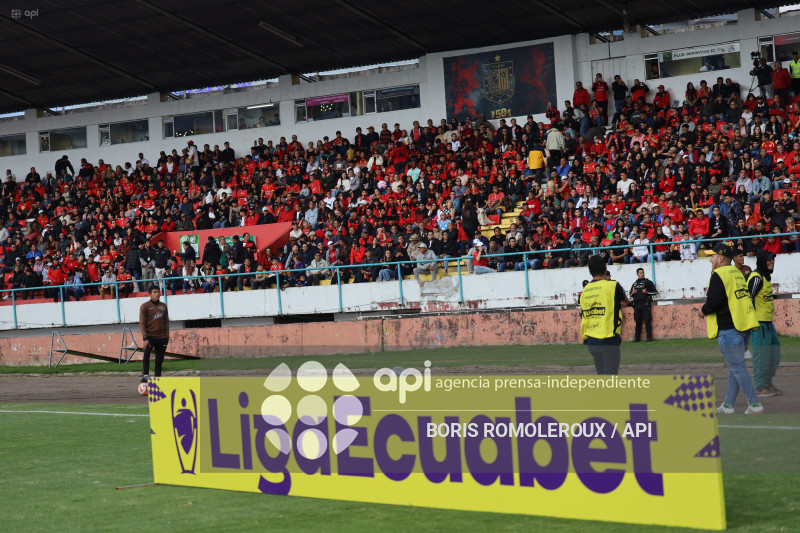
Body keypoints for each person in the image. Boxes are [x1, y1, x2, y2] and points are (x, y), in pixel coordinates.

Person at [698, 242, 764, 414]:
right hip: (743, 326)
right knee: (735, 367)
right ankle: (728, 405)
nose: (710, 259)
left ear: (720, 258)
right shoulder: (737, 273)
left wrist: (702, 311)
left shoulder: (718, 274)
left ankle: (755, 404)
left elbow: (713, 302)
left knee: (737, 367)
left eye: (712, 256)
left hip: (729, 329)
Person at [580, 255, 629, 374]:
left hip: (591, 340)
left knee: (601, 375)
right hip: (608, 338)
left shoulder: (585, 290)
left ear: (589, 271)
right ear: (606, 268)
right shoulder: (612, 285)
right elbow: (626, 301)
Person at [748, 251, 782, 397]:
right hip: (759, 324)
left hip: (768, 323)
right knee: (761, 356)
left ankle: (767, 383)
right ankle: (760, 387)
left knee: (774, 354)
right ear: (762, 261)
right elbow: (747, 299)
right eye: (768, 260)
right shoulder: (756, 277)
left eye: (773, 259)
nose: (771, 262)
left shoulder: (766, 277)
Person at [139, 285, 169, 383]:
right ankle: (146, 376)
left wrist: (167, 337)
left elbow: (166, 322)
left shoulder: (163, 306)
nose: (157, 294)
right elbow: (142, 323)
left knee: (159, 360)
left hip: (162, 337)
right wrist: (145, 338)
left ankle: (158, 379)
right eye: (154, 292)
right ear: (150, 294)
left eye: (158, 292)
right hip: (150, 337)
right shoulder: (145, 306)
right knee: (146, 354)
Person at [630, 268, 657, 342]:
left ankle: (649, 338)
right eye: (640, 273)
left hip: (645, 304)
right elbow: (630, 294)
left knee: (647, 321)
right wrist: (632, 293)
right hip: (637, 304)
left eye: (643, 273)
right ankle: (636, 339)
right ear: (637, 274)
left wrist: (647, 292)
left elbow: (655, 292)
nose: (642, 274)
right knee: (638, 322)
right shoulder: (634, 284)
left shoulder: (648, 282)